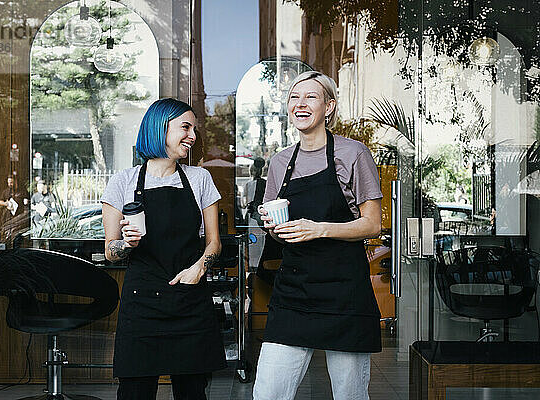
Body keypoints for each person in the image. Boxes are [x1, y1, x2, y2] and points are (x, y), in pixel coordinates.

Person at [252, 71, 383, 400]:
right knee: (268, 393)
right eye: (294, 98)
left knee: (349, 394)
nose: (300, 103)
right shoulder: (280, 162)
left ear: (329, 106)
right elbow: (280, 233)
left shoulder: (353, 153)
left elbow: (372, 225)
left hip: (344, 291)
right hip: (294, 292)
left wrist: (320, 229)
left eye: (310, 96)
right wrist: (275, 228)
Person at [101, 98, 226, 400]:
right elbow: (110, 250)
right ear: (161, 128)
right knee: (135, 392)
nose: (192, 136)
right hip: (142, 302)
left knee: (192, 393)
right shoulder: (124, 182)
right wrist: (127, 244)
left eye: (194, 129)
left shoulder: (199, 179)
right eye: (186, 127)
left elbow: (214, 243)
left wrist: (200, 268)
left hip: (189, 298)